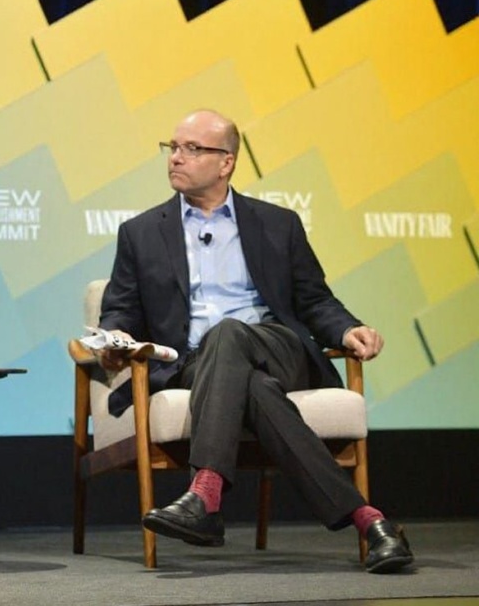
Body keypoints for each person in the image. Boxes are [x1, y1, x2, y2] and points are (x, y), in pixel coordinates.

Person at [96, 109, 413, 574]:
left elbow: (313, 299)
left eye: (191, 148)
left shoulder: (277, 223)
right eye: (173, 147)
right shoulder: (140, 233)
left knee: (229, 333)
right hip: (195, 363)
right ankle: (372, 522)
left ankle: (205, 497)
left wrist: (347, 330)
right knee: (255, 388)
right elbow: (120, 308)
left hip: (277, 348)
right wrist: (117, 336)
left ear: (226, 162)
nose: (176, 157)